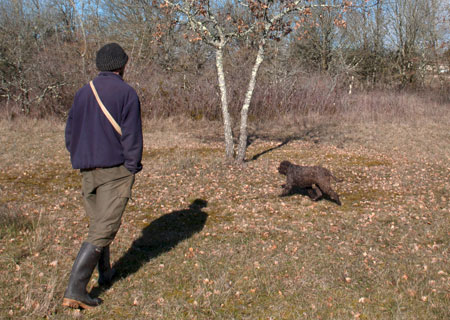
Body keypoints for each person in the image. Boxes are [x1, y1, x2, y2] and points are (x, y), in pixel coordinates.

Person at [63, 43, 143, 309]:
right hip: (115, 170)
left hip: (86, 169)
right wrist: (132, 166)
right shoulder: (127, 93)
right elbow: (132, 136)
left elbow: (70, 133)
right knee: (103, 228)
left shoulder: (82, 93)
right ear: (122, 65)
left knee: (98, 223)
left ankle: (105, 274)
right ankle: (76, 290)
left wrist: (80, 156)